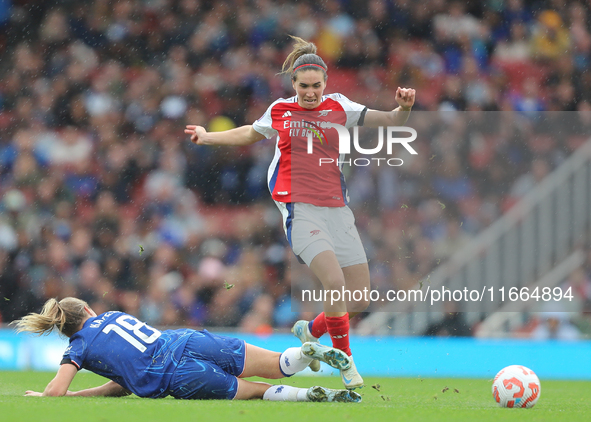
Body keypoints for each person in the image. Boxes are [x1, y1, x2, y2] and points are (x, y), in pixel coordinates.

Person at [185, 36, 416, 390]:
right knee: (334, 283)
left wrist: (404, 108)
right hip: (299, 206)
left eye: (316, 86)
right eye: (304, 86)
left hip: (337, 207)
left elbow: (390, 120)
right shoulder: (280, 110)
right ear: (294, 84)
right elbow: (250, 132)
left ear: (326, 83)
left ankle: (312, 330)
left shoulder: (340, 105)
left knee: (359, 297)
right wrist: (207, 136)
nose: (311, 92)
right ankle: (345, 361)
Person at [12, 297, 361, 403]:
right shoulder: (114, 315)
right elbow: (121, 383)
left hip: (177, 375)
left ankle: (316, 396)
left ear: (63, 328)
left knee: (259, 391)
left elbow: (56, 390)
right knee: (275, 364)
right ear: (88, 310)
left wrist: (53, 396)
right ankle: (305, 353)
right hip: (185, 340)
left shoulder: (80, 345)